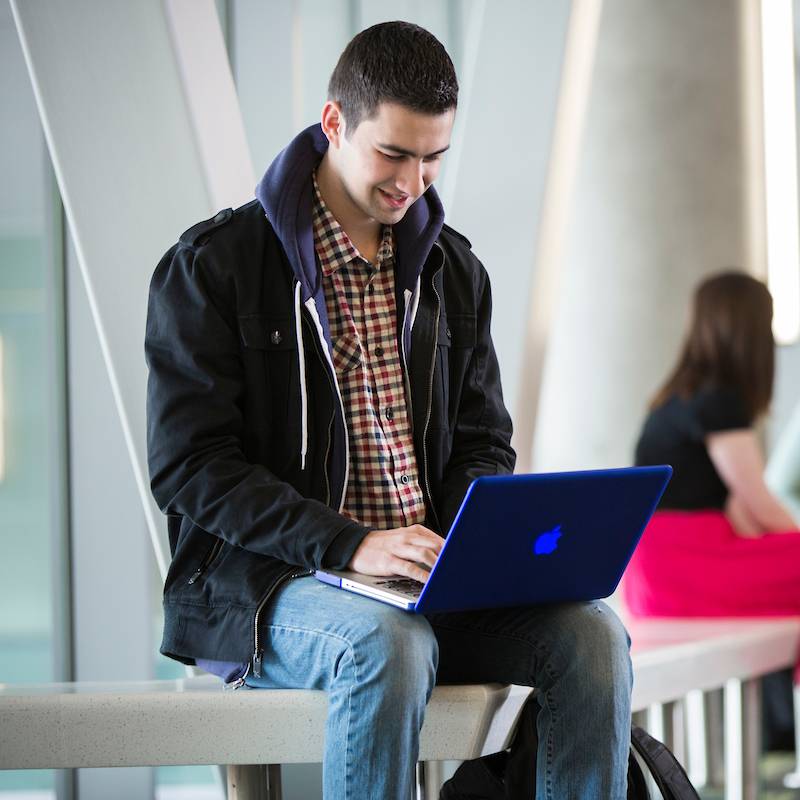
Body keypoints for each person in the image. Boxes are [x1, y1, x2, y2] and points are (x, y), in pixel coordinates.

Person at [146, 21, 632, 798]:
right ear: (334, 122)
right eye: (394, 153)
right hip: (271, 587)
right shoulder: (214, 267)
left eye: (434, 156)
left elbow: (483, 440)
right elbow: (190, 469)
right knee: (389, 644)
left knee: (593, 636)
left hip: (424, 582)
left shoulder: (452, 272)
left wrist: (472, 541)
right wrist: (350, 544)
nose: (414, 183)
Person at [626, 271, 800, 748]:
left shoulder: (680, 395)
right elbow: (759, 504)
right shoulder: (720, 400)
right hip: (684, 562)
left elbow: (739, 508)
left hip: (658, 571)